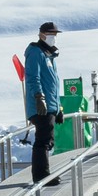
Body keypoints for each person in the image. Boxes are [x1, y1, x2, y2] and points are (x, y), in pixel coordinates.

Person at [23, 21, 66, 186]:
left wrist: (58, 107)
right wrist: (39, 97)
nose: (53, 38)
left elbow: (53, 85)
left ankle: (43, 174)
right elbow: (33, 77)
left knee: (47, 139)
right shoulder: (36, 52)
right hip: (41, 106)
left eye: (55, 35)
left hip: (49, 105)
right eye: (50, 34)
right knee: (44, 139)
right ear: (41, 34)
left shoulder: (49, 55)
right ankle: (41, 176)